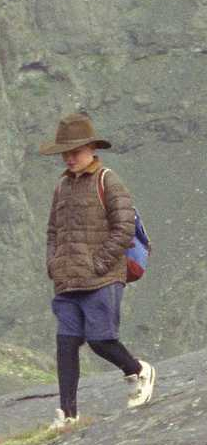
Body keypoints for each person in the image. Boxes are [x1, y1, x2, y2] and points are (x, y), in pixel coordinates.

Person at [40, 113, 155, 430]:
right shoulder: (61, 186)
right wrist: (54, 263)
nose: (69, 157)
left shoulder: (108, 180)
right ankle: (67, 415)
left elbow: (125, 227)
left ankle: (137, 370)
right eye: (65, 152)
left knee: (101, 339)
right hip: (67, 282)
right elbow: (52, 231)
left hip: (102, 279)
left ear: (91, 148)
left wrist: (99, 264)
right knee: (66, 345)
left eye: (75, 150)